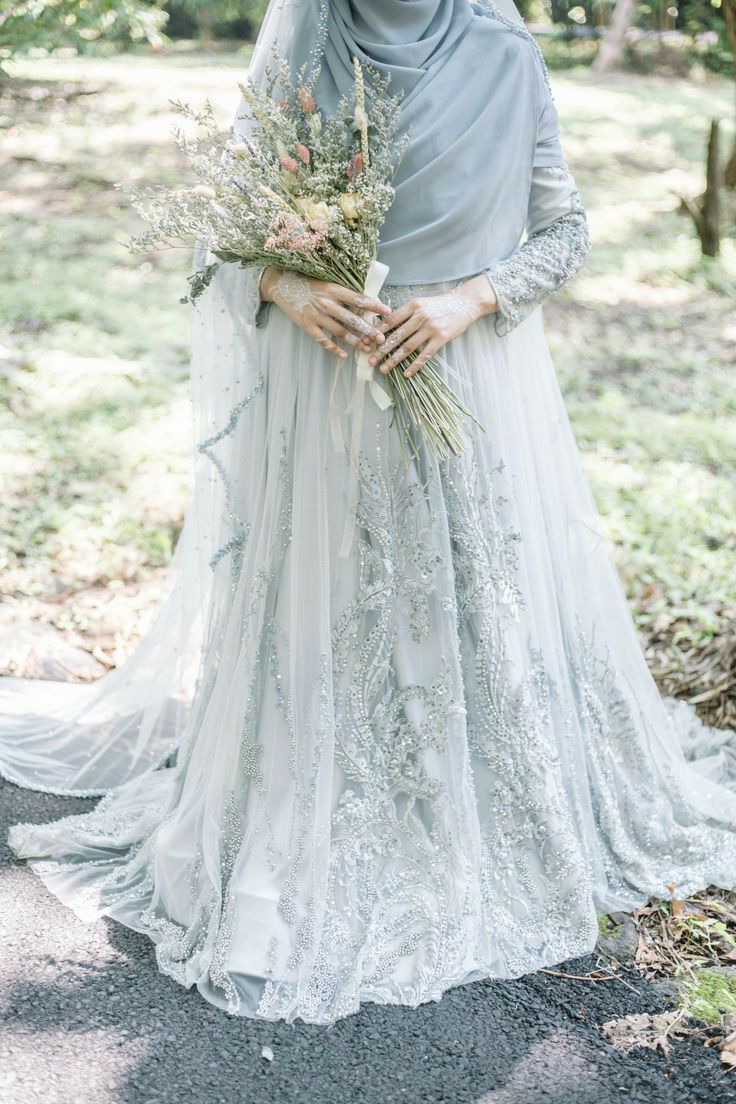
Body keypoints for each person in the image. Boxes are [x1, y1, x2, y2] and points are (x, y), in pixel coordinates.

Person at [3, 0, 735, 1026]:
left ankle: (465, 803)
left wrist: (467, 299)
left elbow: (563, 232)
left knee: (462, 600)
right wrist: (286, 287)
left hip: (460, 378)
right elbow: (218, 235)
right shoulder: (303, 37)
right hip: (322, 381)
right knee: (327, 599)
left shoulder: (501, 47)